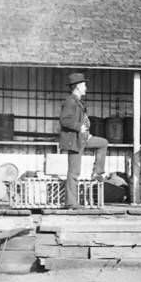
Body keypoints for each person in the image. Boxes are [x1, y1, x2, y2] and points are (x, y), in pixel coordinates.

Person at [58, 72, 108, 209]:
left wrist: (87, 134)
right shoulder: (70, 101)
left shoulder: (78, 102)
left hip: (82, 138)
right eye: (84, 84)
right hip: (74, 140)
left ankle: (97, 172)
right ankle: (71, 203)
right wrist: (79, 127)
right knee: (74, 172)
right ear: (78, 86)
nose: (86, 87)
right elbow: (64, 120)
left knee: (103, 143)